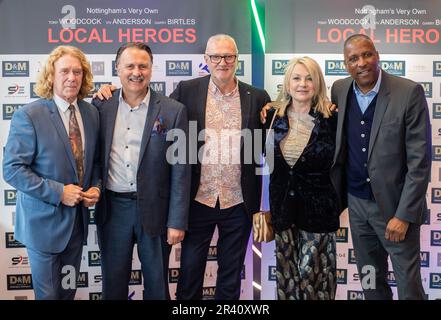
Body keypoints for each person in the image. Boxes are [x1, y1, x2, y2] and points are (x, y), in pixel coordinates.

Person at [330, 34, 431, 300]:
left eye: (367, 55)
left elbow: (419, 163)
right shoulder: (339, 90)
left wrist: (404, 215)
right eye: (353, 58)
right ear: (345, 64)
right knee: (369, 279)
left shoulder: (408, 92)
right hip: (357, 206)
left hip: (396, 209)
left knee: (408, 286)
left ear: (377, 55)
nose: (361, 63)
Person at [170, 34, 271, 300]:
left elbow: (273, 137)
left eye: (229, 56)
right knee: (190, 272)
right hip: (197, 199)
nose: (222, 62)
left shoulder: (258, 97)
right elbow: (157, 113)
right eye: (216, 56)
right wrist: (112, 92)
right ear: (206, 60)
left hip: (238, 202)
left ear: (237, 60)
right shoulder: (186, 90)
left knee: (230, 276)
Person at [91, 42, 190, 300]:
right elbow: (94, 159)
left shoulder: (173, 110)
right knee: (112, 286)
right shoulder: (100, 106)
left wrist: (177, 220)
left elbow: (181, 170)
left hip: (156, 210)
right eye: (130, 65)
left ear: (151, 69)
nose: (137, 72)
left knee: (158, 287)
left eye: (143, 66)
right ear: (118, 69)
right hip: (113, 209)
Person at [3, 45, 100, 299]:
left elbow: (96, 162)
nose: (72, 77)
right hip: (42, 227)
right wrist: (59, 193)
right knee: (48, 296)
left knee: (68, 293)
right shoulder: (29, 115)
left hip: (76, 227)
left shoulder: (91, 113)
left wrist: (96, 187)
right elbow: (12, 169)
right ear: (51, 76)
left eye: (77, 72)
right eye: (64, 71)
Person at [262, 57, 340, 300]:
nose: (302, 84)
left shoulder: (332, 118)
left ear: (317, 84)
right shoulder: (273, 116)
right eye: (296, 78)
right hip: (284, 212)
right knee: (287, 282)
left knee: (314, 282)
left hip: (319, 214)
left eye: (309, 78)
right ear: (287, 83)